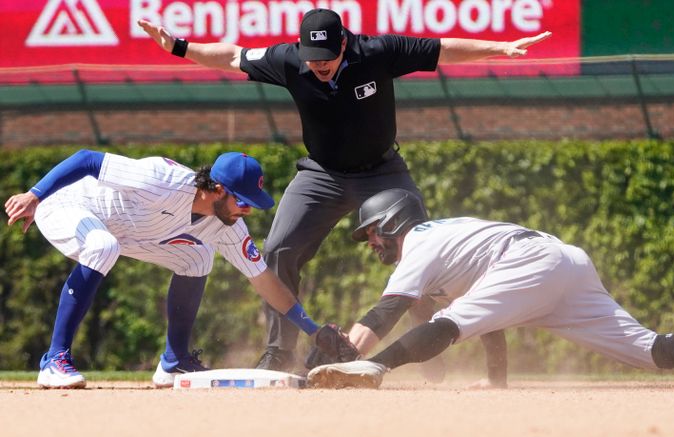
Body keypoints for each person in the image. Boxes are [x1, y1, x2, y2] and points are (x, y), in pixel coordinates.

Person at [137, 9, 551, 372]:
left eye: (328, 57)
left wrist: (501, 48)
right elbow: (231, 56)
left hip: (383, 173)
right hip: (321, 175)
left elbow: (442, 49)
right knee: (279, 248)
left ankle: (428, 353)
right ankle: (279, 352)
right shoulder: (289, 60)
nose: (319, 66)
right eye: (311, 57)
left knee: (424, 253)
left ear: (345, 45)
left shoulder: (376, 52)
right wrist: (178, 46)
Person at [306, 189, 674, 389]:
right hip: (562, 262)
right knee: (651, 350)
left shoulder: (420, 243)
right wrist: (498, 382)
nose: (370, 242)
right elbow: (488, 320)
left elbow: (386, 310)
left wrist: (356, 355)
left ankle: (370, 371)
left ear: (393, 223)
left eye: (371, 232)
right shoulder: (444, 244)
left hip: (530, 262)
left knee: (446, 325)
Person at [4, 150, 323, 389]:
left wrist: (315, 331)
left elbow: (265, 280)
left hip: (123, 231)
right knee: (103, 246)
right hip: (67, 205)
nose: (247, 211)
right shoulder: (162, 179)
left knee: (197, 257)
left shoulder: (227, 226)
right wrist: (34, 195)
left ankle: (174, 361)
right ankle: (54, 360)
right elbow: (87, 159)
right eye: (242, 201)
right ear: (217, 189)